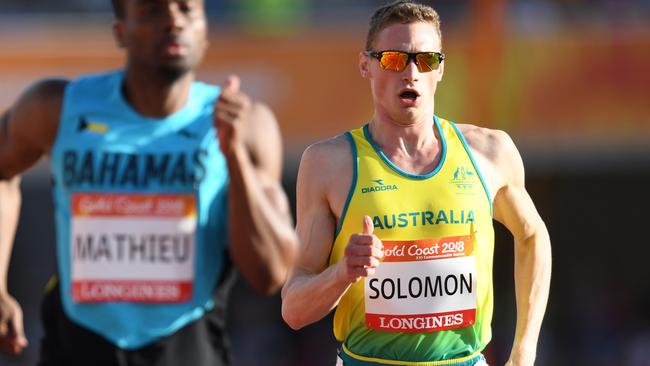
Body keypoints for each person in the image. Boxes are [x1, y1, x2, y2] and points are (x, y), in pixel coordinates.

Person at [0, 0, 296, 364]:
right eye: (152, 11)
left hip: (187, 345)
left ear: (204, 31)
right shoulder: (57, 107)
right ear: (120, 32)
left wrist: (233, 157)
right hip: (79, 345)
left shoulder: (245, 124)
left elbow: (271, 275)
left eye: (187, 10)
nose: (173, 21)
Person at [281, 1, 552, 365]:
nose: (411, 73)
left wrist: (524, 350)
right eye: (394, 59)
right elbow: (294, 309)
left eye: (426, 60)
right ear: (366, 65)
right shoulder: (329, 164)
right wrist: (342, 273)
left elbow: (533, 236)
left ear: (440, 69)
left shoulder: (490, 152)